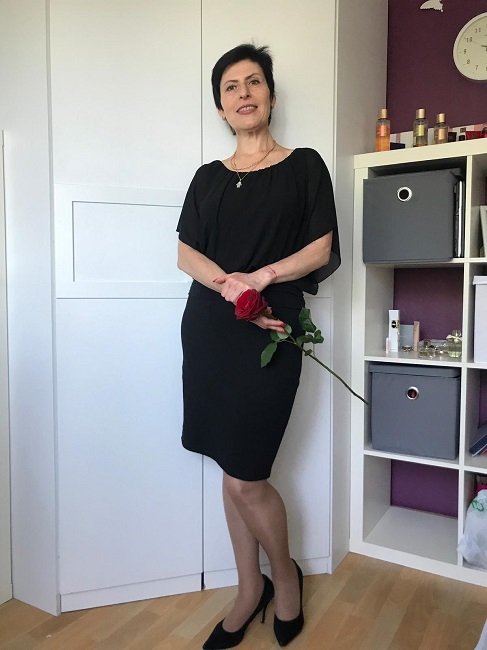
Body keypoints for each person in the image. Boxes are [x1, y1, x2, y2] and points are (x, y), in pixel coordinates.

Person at [177, 43, 340, 649]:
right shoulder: (207, 177)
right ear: (221, 108)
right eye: (230, 87)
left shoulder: (305, 166)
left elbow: (320, 248)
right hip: (212, 328)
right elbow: (186, 254)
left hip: (273, 325)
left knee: (248, 475)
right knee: (231, 465)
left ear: (270, 94)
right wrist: (230, 286)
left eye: (253, 82)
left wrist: (262, 278)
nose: (243, 94)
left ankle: (285, 578)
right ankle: (250, 589)